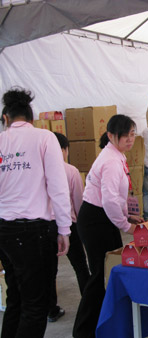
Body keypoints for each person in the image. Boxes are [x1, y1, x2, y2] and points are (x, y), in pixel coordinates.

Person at [0, 87, 71, 338]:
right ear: (31, 118)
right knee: (35, 305)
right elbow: (58, 186)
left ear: (6, 118)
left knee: (16, 298)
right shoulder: (44, 137)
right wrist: (64, 229)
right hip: (33, 231)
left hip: (4, 229)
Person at [73, 115, 143, 338]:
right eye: (125, 135)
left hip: (103, 217)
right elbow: (110, 200)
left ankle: (104, 322)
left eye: (132, 134)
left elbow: (114, 197)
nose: (129, 140)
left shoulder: (116, 154)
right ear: (111, 135)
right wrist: (125, 226)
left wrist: (127, 216)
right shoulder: (112, 160)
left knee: (109, 271)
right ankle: (84, 330)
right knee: (100, 275)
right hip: (96, 219)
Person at [48, 133, 91, 323]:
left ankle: (51, 310)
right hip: (69, 224)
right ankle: (89, 305)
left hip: (47, 226)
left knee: (50, 270)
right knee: (80, 266)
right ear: (65, 150)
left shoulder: (41, 170)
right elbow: (78, 202)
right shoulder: (71, 171)